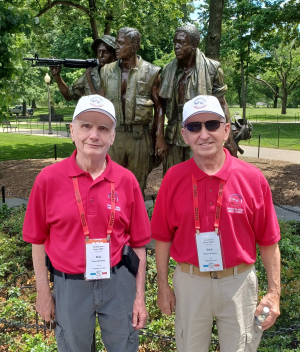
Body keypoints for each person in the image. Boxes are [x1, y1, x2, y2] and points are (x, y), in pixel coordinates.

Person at [151, 95, 281, 352]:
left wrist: (274, 292)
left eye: (211, 124)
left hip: (239, 283)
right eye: (194, 126)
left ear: (226, 130)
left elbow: (269, 240)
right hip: (190, 283)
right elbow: (163, 238)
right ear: (184, 135)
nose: (204, 134)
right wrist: (163, 286)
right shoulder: (173, 179)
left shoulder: (253, 179)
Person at [23, 95, 150, 352]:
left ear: (112, 136)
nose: (94, 135)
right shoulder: (48, 180)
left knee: (124, 347)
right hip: (70, 286)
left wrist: (139, 297)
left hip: (118, 283)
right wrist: (43, 293)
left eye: (103, 128)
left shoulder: (127, 181)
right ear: (72, 130)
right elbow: (37, 241)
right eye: (86, 126)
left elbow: (138, 245)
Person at [159, 25, 236, 175]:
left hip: (200, 131)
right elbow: (160, 105)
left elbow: (222, 103)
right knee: (173, 176)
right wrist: (159, 136)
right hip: (174, 134)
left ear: (194, 45)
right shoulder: (168, 70)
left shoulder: (212, 69)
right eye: (175, 42)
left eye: (182, 43)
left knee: (200, 175)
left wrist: (230, 138)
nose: (176, 46)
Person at [100, 27, 167, 194]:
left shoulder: (151, 72)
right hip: (114, 137)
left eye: (121, 43)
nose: (116, 47)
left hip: (139, 138)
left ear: (135, 46)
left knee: (137, 186)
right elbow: (100, 106)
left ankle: (136, 219)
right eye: (116, 43)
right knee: (111, 184)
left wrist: (159, 137)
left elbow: (160, 107)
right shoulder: (106, 72)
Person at [50, 35, 116, 101]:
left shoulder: (121, 73)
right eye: (99, 51)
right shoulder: (89, 74)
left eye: (105, 52)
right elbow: (68, 95)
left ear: (114, 54)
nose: (101, 55)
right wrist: (57, 76)